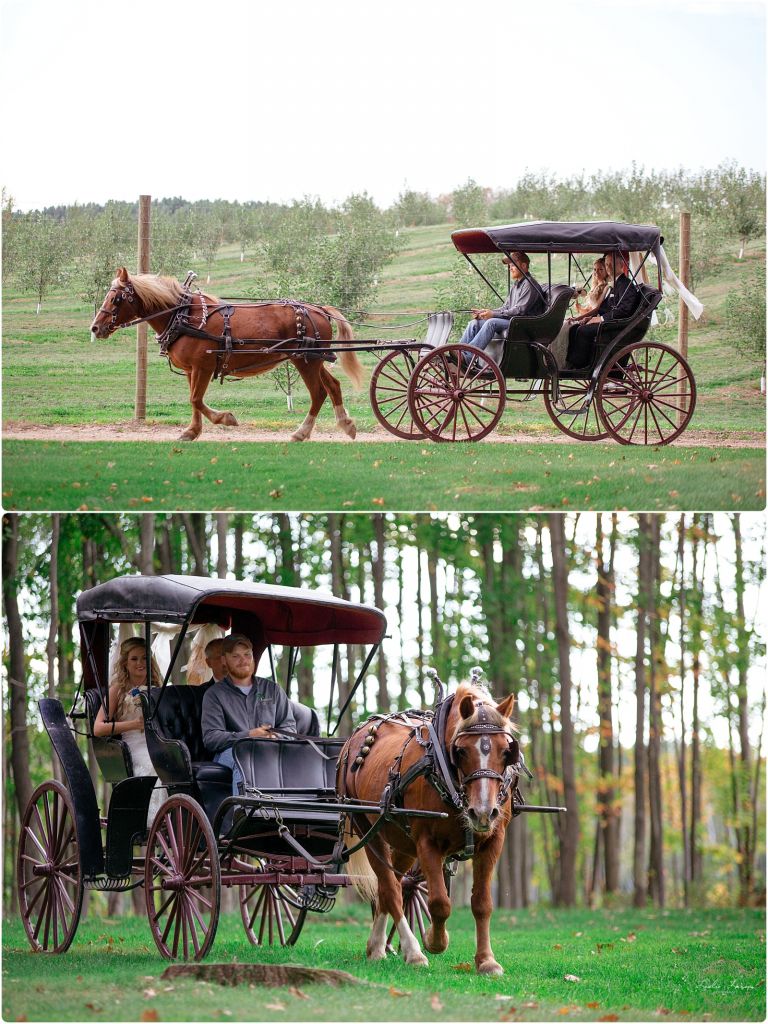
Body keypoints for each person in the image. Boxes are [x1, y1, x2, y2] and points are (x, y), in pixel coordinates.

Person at [201, 633, 296, 795]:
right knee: (245, 757)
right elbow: (211, 738)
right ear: (224, 660)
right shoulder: (214, 694)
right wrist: (248, 735)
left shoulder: (272, 689)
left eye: (247, 655)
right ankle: (243, 815)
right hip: (232, 753)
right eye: (235, 656)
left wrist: (275, 737)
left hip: (269, 749)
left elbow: (290, 729)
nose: (243, 660)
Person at [93, 636, 164, 825]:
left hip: (158, 741)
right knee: (152, 764)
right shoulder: (117, 690)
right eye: (134, 659)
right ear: (125, 663)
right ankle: (152, 820)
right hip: (133, 744)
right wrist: (133, 725)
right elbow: (98, 728)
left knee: (175, 763)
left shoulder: (158, 687)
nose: (140, 663)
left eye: (144, 658)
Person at [456, 251, 546, 363]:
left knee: (491, 322)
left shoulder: (529, 285)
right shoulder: (516, 285)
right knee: (474, 323)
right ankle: (459, 352)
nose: (510, 268)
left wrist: (493, 315)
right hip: (513, 321)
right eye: (510, 266)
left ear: (523, 265)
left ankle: (468, 356)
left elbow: (519, 311)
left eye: (513, 265)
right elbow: (505, 307)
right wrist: (484, 313)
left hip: (523, 324)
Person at [566, 251, 642, 370]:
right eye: (607, 264)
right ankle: (571, 362)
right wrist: (591, 318)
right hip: (608, 321)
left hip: (616, 326)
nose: (608, 267)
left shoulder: (626, 285)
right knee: (574, 328)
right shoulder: (614, 284)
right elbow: (605, 307)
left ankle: (581, 366)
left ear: (621, 265)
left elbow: (624, 311)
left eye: (612, 264)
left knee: (583, 331)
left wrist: (600, 319)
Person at [547, 258, 611, 369]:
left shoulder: (606, 287)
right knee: (564, 324)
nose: (596, 273)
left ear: (606, 271)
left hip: (594, 317)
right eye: (595, 270)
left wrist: (579, 318)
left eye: (600, 270)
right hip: (589, 315)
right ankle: (557, 358)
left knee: (568, 327)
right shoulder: (595, 285)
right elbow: (589, 306)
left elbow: (596, 309)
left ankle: (569, 361)